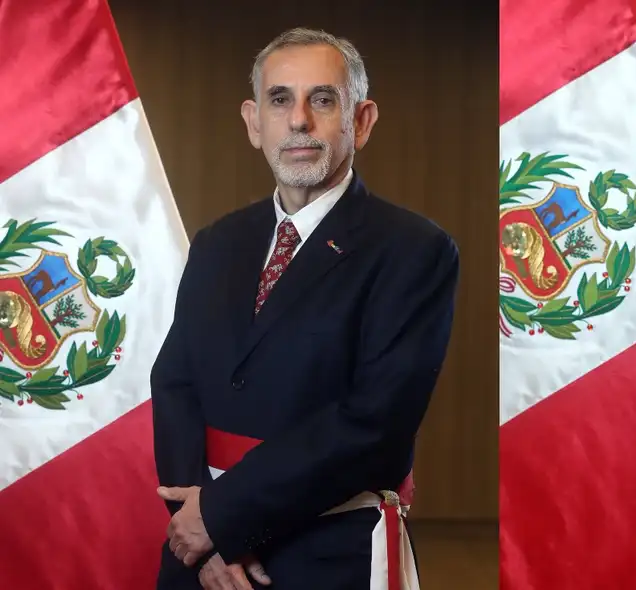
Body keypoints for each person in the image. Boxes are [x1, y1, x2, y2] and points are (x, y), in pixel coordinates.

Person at [150, 27, 459, 590]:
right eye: (279, 99)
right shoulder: (217, 242)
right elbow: (174, 382)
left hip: (326, 551)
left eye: (322, 99)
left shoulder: (414, 250)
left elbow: (375, 424)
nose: (298, 120)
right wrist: (198, 527)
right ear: (253, 122)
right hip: (202, 559)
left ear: (360, 121)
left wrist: (222, 517)